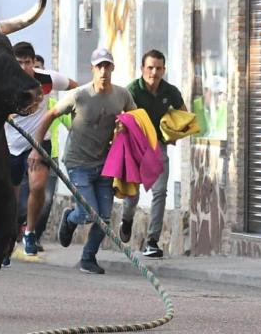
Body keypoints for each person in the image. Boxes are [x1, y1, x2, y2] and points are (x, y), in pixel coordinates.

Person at [35, 47, 136, 275]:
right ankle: (70, 219)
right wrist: (37, 148)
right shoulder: (79, 95)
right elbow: (50, 115)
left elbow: (135, 120)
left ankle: (88, 258)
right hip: (77, 163)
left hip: (105, 164)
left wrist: (126, 128)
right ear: (92, 69)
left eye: (107, 66)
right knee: (88, 214)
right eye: (99, 66)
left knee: (105, 218)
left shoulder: (122, 96)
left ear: (112, 68)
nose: (103, 71)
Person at [12, 42, 78, 256]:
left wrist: (71, 112)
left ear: (33, 63)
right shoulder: (4, 80)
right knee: (9, 196)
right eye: (18, 62)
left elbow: (76, 88)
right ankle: (7, 234)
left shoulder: (46, 79)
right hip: (10, 144)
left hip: (39, 142)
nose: (23, 67)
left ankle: (30, 232)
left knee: (38, 186)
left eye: (27, 62)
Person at [120, 50, 185, 259]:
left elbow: (184, 115)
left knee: (160, 192)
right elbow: (121, 118)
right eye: (150, 67)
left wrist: (175, 132)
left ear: (164, 70)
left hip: (159, 147)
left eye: (158, 68)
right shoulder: (132, 91)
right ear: (142, 69)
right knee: (133, 193)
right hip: (135, 147)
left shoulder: (170, 91)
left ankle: (153, 241)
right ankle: (127, 219)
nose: (154, 72)